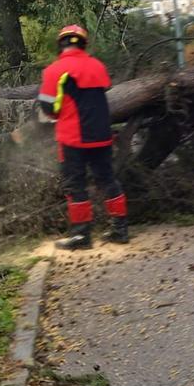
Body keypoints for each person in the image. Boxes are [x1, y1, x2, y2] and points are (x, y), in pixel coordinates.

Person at [37, 25, 128, 249]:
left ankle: (81, 236)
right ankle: (120, 230)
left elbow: (49, 108)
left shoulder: (54, 71)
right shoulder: (98, 66)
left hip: (73, 138)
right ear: (83, 44)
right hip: (102, 135)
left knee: (75, 184)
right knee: (107, 180)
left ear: (61, 44)